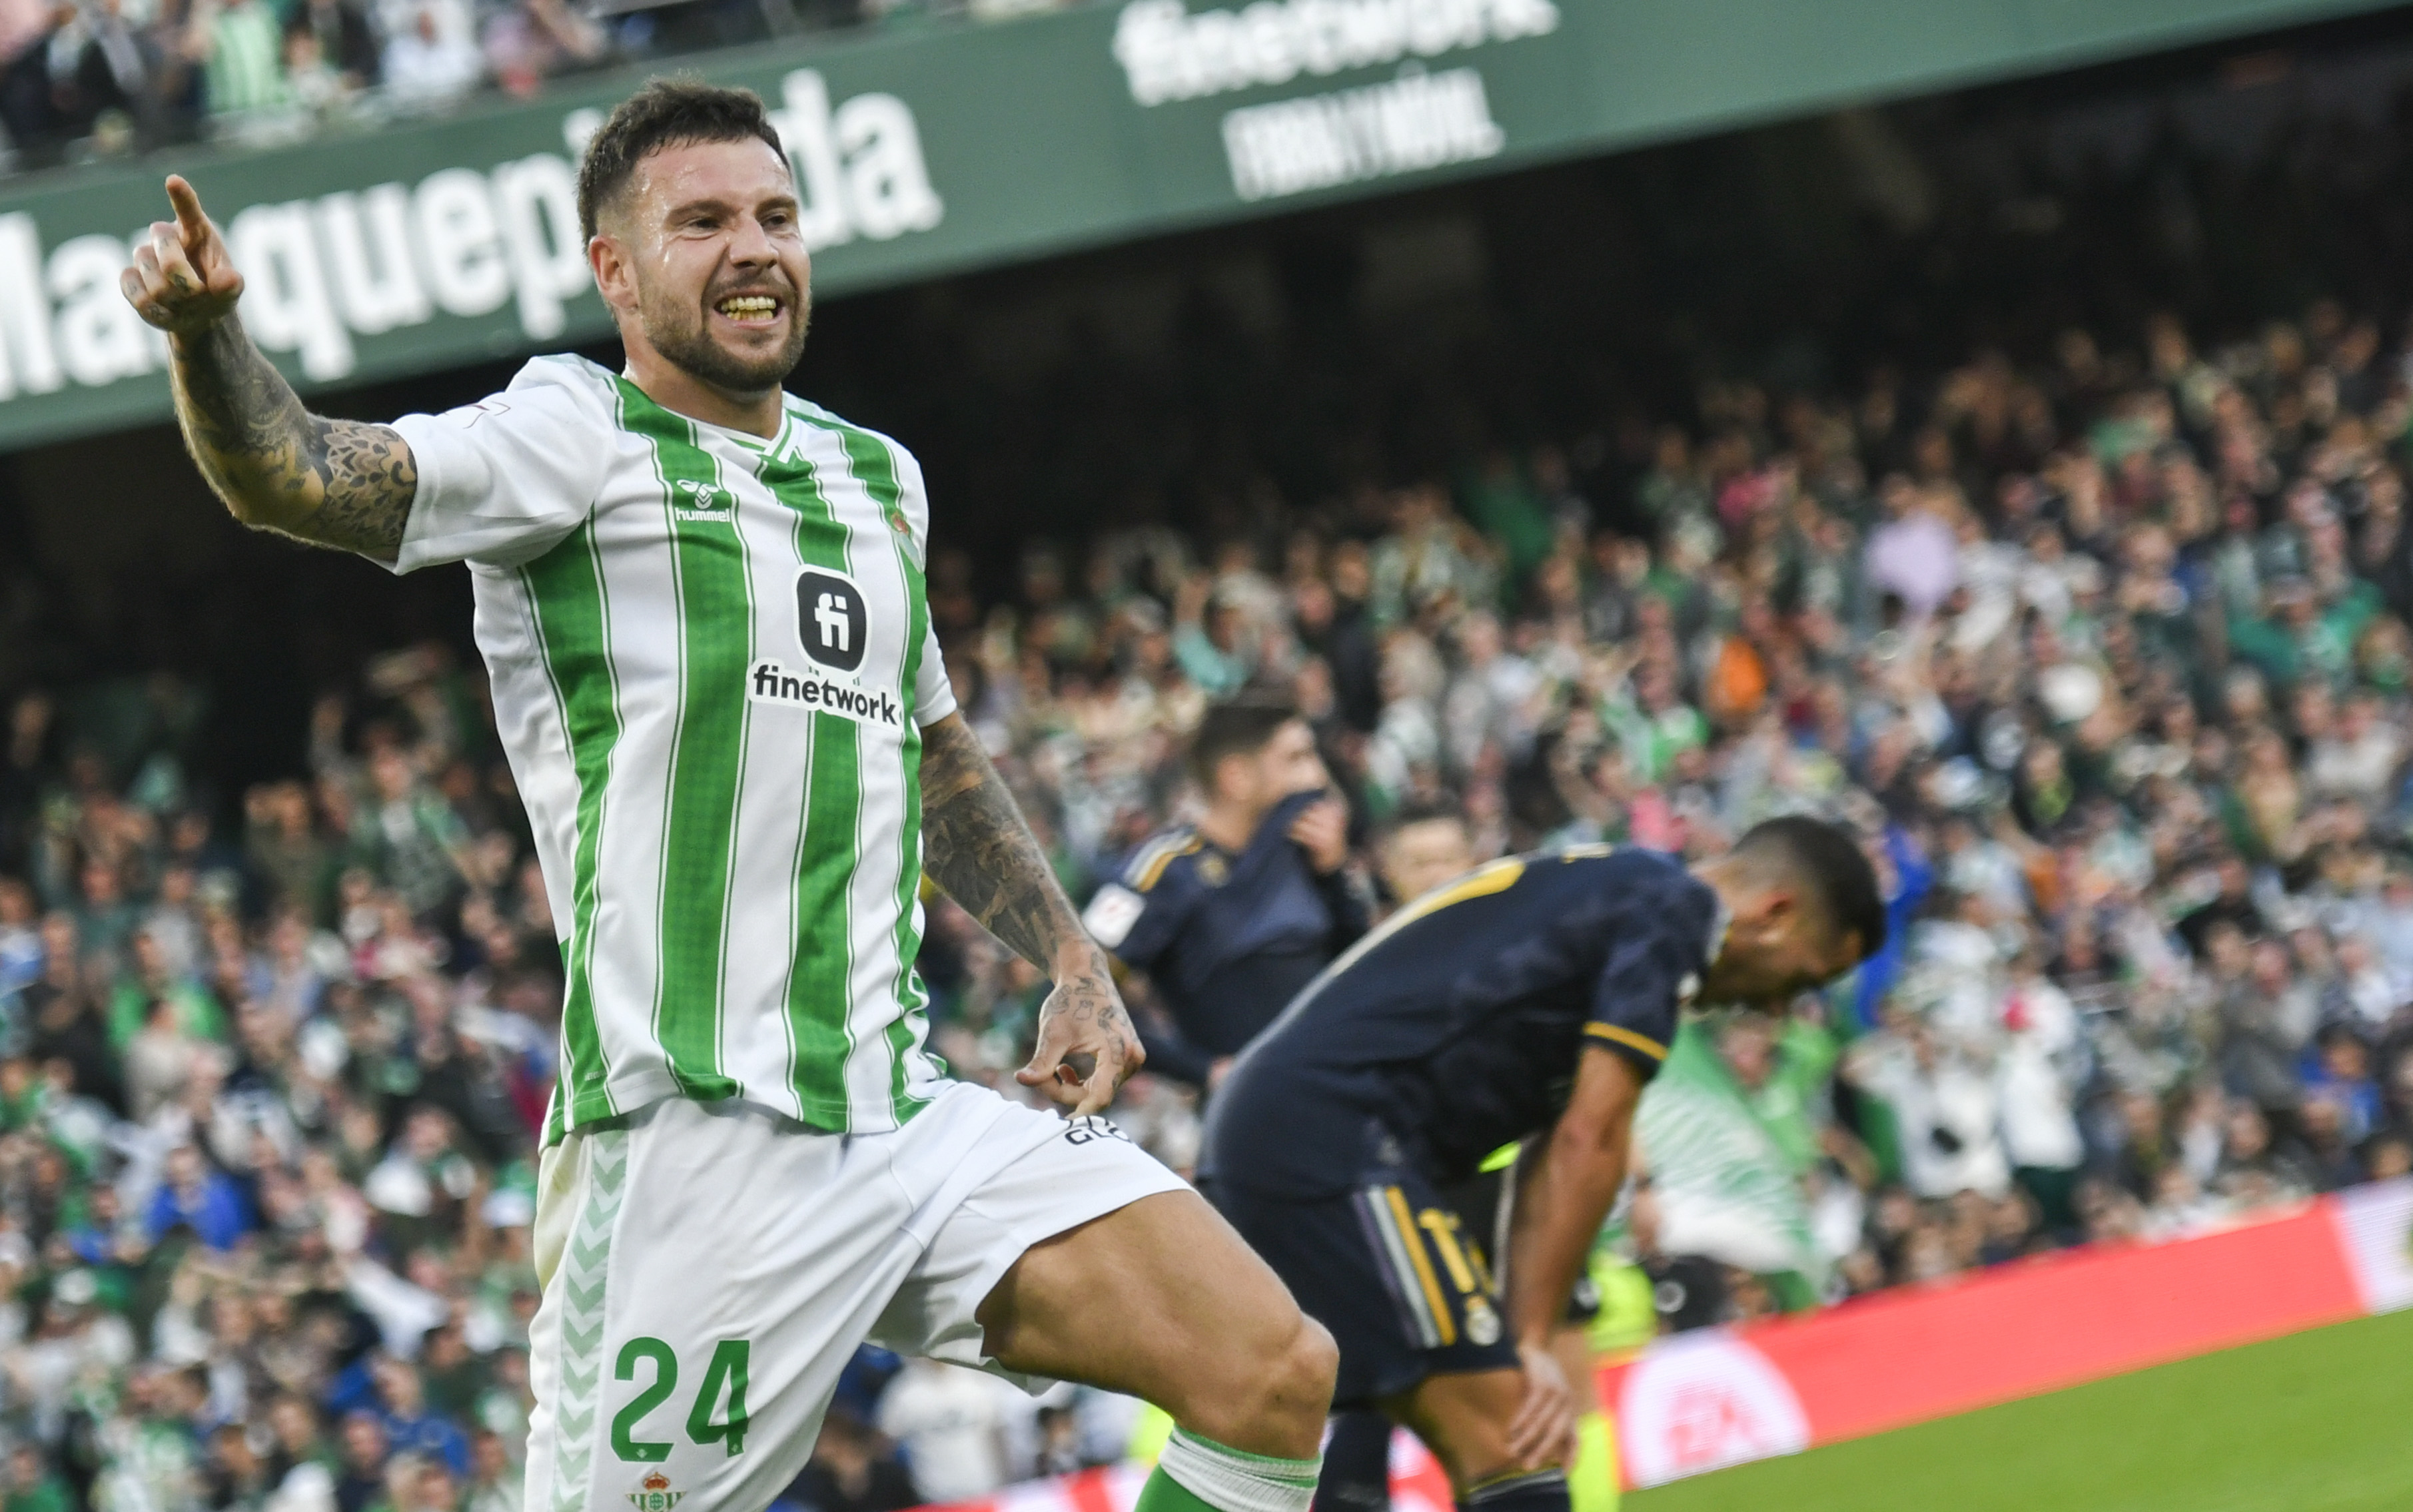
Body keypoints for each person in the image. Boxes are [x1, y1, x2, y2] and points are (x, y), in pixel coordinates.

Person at [123, 77, 1335, 1512]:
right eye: (700, 222)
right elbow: (297, 477)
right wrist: (209, 338)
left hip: (897, 1114)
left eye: (774, 215)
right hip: (688, 1146)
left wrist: (1069, 956)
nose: (753, 247)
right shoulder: (571, 436)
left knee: (1270, 1371)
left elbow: (931, 748)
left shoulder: (873, 479)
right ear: (614, 272)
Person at [1203, 819, 1882, 1512]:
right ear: (1776, 912)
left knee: (1384, 1419)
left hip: (1290, 1130)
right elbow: (1592, 1136)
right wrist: (1529, 1340)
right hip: (1334, 1136)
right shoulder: (1675, 911)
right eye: (1803, 977)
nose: (1776, 1007)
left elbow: (1549, 1144)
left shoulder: (1620, 888)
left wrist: (1526, 1327)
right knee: (1509, 1441)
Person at [1081, 693, 1364, 1088]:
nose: (1317, 778)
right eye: (1297, 759)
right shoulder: (1163, 869)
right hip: (1256, 1120)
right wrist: (1203, 1071)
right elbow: (1073, 995)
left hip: (1339, 1085)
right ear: (1237, 777)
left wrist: (1334, 874)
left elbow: (1359, 967)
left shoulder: (1306, 851)